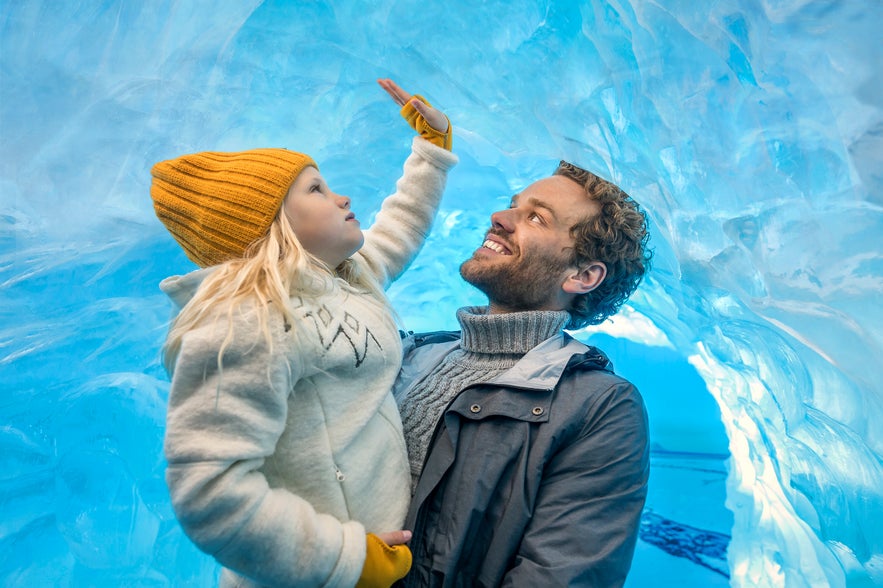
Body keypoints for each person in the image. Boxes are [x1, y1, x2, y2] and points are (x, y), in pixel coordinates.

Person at [151, 79, 458, 588]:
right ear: (271, 228)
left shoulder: (345, 280)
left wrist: (432, 148)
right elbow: (209, 493)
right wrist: (347, 561)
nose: (341, 196)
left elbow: (397, 231)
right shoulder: (245, 320)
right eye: (316, 188)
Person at [393, 161, 653, 587]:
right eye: (513, 206)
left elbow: (560, 576)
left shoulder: (599, 408)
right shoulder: (408, 354)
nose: (500, 219)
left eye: (536, 217)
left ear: (583, 275)